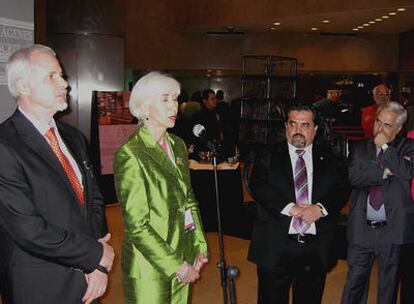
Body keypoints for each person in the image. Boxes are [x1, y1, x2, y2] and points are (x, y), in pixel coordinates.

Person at [0, 44, 114, 304]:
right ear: (24, 86)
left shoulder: (74, 137)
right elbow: (28, 229)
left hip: (87, 277)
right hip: (39, 284)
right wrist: (92, 254)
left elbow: (93, 198)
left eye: (61, 75)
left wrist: (96, 265)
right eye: (52, 76)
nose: (64, 83)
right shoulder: (5, 144)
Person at [113, 72, 208, 303]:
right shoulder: (131, 153)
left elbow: (189, 200)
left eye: (175, 99)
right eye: (164, 99)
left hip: (182, 252)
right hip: (149, 265)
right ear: (144, 107)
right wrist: (177, 266)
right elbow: (137, 227)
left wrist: (199, 244)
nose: (173, 106)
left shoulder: (177, 145)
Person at [248, 103, 350, 304]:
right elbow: (258, 185)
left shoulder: (330, 158)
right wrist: (290, 207)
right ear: (286, 126)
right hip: (276, 244)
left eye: (305, 125)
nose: (298, 130)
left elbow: (341, 188)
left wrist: (319, 209)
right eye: (293, 124)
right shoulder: (267, 155)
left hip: (315, 245)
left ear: (315, 129)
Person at [342, 102, 414, 304]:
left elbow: (407, 172)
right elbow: (355, 177)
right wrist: (386, 172)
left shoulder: (409, 147)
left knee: (388, 286)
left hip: (393, 230)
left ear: (399, 128)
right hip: (362, 229)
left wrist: (384, 147)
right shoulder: (360, 148)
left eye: (387, 125)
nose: (380, 129)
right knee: (354, 282)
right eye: (378, 122)